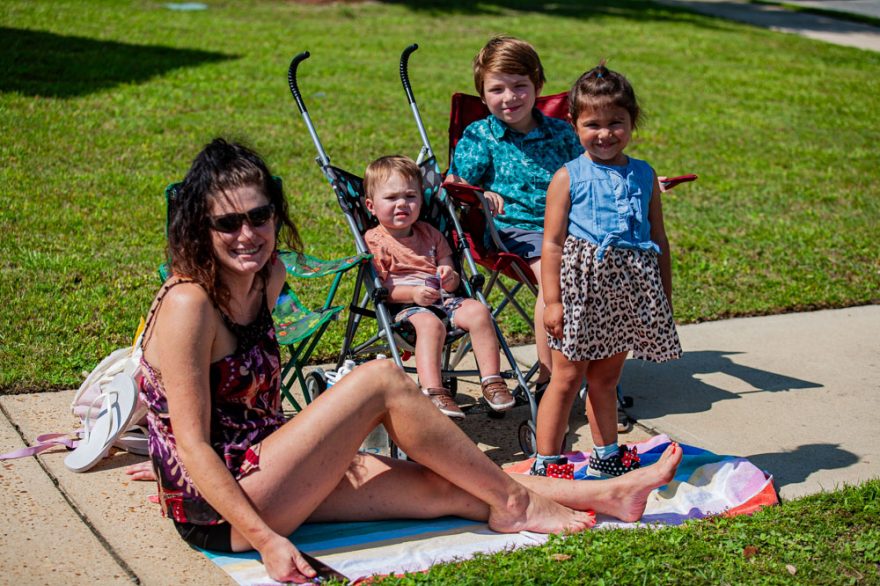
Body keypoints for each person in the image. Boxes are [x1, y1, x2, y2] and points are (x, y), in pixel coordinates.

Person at [135, 137, 682, 584]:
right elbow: (191, 442)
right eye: (226, 224)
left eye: (259, 216)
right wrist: (267, 543)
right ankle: (519, 502)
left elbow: (210, 410)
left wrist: (166, 451)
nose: (248, 234)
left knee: (443, 487)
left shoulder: (265, 275)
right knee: (378, 379)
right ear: (198, 229)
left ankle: (607, 493)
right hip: (226, 513)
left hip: (267, 466)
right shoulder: (190, 302)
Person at [533, 64, 682, 479]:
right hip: (580, 293)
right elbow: (552, 244)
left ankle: (605, 455)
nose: (605, 133)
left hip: (627, 295)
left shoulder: (645, 174)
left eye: (616, 122)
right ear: (574, 124)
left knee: (607, 378)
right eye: (592, 124)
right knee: (565, 378)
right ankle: (548, 461)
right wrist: (553, 301)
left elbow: (659, 240)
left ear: (632, 121)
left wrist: (663, 297)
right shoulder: (568, 176)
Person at [449, 36, 585, 400]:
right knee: (552, 276)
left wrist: (641, 182)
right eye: (497, 89)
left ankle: (598, 373)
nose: (509, 97)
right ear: (482, 96)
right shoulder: (481, 136)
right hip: (511, 230)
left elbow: (591, 171)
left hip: (568, 227)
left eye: (519, 86)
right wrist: (478, 194)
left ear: (537, 86)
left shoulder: (562, 132)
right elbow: (453, 182)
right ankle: (548, 377)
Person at [363, 155, 515, 418]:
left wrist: (450, 276)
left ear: (421, 201)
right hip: (406, 307)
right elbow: (384, 288)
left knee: (479, 311)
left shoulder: (430, 234)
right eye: (391, 198)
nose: (402, 204)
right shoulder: (376, 239)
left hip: (444, 299)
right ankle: (433, 390)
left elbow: (449, 267)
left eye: (411, 197)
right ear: (371, 206)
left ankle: (492, 380)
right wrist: (413, 294)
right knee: (430, 324)